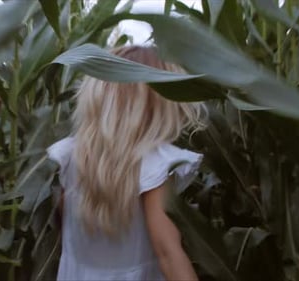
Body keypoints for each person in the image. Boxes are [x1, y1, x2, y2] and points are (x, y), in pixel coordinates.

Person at [47, 45, 206, 281]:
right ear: (161, 104)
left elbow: (66, 224)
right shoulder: (155, 165)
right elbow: (168, 254)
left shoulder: (67, 155)